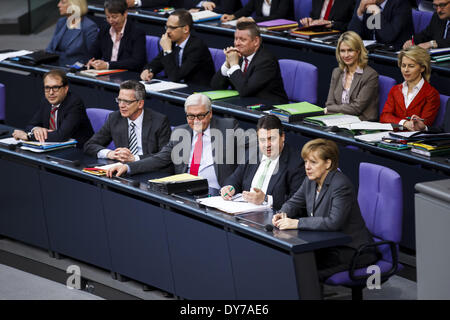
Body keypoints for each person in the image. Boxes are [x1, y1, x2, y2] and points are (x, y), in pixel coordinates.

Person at [272, 138, 377, 281]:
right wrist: (282, 214)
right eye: (306, 162)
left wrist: (296, 223)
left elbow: (334, 222)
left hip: (353, 250)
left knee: (306, 271)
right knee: (292, 261)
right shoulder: (310, 180)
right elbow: (294, 202)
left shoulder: (341, 185)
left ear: (328, 163)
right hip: (329, 246)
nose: (307, 167)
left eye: (313, 162)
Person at [106, 93, 245, 189]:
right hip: (185, 189)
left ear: (210, 113)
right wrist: (128, 167)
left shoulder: (228, 127)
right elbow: (159, 158)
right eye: (191, 116)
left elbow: (249, 155)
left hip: (217, 191)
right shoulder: (180, 133)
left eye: (200, 116)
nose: (196, 121)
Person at [220, 115, 305, 211]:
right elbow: (235, 178)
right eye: (262, 140)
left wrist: (266, 199)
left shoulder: (296, 163)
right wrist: (229, 188)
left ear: (282, 137)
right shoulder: (252, 153)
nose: (267, 145)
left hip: (272, 217)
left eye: (271, 139)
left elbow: (297, 203)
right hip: (243, 212)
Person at [83, 80, 171, 163]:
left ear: (140, 104)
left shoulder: (159, 121)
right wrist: (111, 154)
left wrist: (134, 158)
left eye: (127, 102)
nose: (121, 105)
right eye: (119, 100)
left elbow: (164, 156)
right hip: (122, 169)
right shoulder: (115, 118)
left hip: (149, 169)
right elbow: (90, 145)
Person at [210, 21, 288, 104]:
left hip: (270, 108)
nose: (237, 43)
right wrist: (227, 63)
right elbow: (215, 86)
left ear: (256, 41)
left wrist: (233, 64)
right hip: (245, 103)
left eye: (242, 40)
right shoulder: (238, 56)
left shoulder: (266, 61)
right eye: (236, 39)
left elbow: (245, 91)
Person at [12, 69, 93, 148]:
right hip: (54, 148)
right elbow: (31, 125)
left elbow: (61, 136)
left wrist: (29, 137)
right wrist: (36, 130)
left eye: (55, 87)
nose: (51, 93)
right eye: (47, 88)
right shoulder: (46, 101)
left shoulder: (74, 103)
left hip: (79, 151)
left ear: (65, 89)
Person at [140, 9, 215, 86]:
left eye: (172, 28)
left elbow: (175, 77)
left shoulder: (197, 47)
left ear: (185, 29)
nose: (168, 32)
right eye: (167, 27)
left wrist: (167, 50)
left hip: (197, 89)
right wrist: (148, 70)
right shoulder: (172, 42)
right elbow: (157, 62)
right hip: (178, 86)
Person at [380, 46, 440, 131]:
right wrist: (404, 122)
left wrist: (417, 125)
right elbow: (384, 116)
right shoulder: (395, 90)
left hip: (415, 140)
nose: (406, 70)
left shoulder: (431, 94)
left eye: (411, 66)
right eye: (403, 65)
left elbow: (425, 123)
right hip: (392, 136)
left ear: (422, 68)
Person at [325, 31, 379, 121]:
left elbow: (356, 109)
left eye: (350, 50)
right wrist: (331, 110)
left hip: (361, 123)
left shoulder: (370, 75)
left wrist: (329, 110)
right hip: (338, 120)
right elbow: (329, 103)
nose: (346, 55)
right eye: (342, 51)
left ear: (358, 51)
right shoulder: (337, 72)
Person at [87, 0, 146, 71]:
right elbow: (93, 52)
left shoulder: (137, 32)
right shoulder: (105, 30)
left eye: (114, 17)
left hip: (127, 75)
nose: (110, 21)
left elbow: (137, 62)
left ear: (125, 14)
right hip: (106, 74)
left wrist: (108, 65)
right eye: (108, 17)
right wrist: (90, 60)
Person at [46, 0, 98, 66]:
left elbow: (91, 56)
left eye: (63, 2)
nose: (58, 5)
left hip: (73, 69)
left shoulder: (89, 27)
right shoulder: (61, 22)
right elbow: (50, 48)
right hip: (54, 65)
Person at [348, 0, 414, 50]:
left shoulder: (401, 4)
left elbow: (388, 37)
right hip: (368, 54)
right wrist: (360, 12)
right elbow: (351, 36)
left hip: (393, 57)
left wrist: (377, 14)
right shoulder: (363, 2)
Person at [220, 0, 292, 23]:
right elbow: (247, 9)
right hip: (263, 30)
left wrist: (252, 20)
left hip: (282, 31)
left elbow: (279, 16)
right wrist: (233, 16)